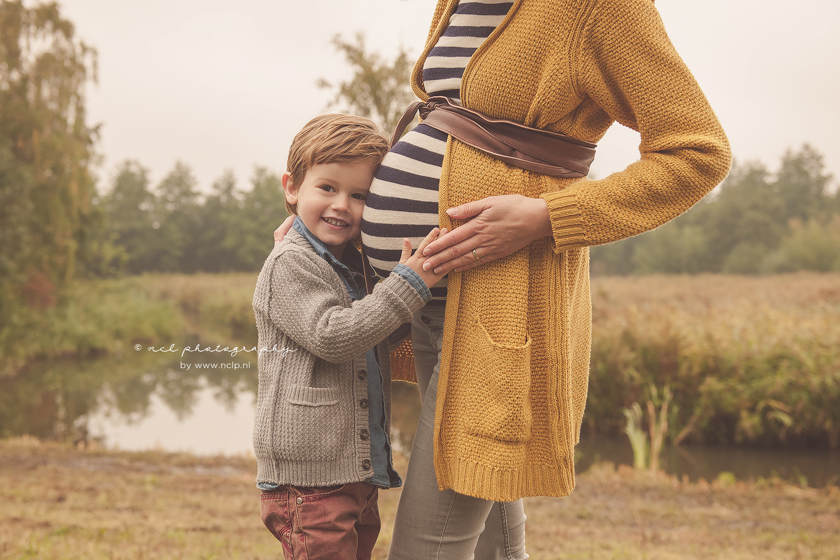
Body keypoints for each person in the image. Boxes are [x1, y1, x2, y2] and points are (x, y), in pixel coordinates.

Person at [276, 0, 732, 558]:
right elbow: (451, 131)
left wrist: (546, 216)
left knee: (426, 547)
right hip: (427, 305)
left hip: (500, 312)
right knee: (491, 529)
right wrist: (316, 221)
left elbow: (698, 152)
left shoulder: (600, 8)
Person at [253, 113, 446, 560]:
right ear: (292, 187)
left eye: (359, 195)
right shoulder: (290, 263)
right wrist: (409, 283)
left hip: (352, 474)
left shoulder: (353, 265)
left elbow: (375, 325)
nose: (342, 204)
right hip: (310, 484)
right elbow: (335, 335)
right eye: (328, 188)